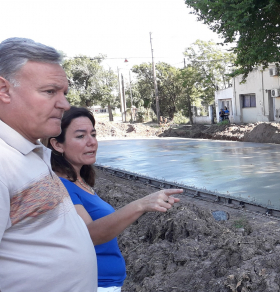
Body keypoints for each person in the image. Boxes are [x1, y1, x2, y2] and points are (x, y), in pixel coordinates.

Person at [47, 107, 183, 292]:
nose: (91, 142)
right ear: (57, 145)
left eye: (93, 134)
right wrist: (141, 204)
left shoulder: (80, 181)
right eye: (80, 136)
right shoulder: (59, 185)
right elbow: (89, 235)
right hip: (93, 284)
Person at [0, 38, 97, 291]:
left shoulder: (33, 152)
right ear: (3, 90)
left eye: (64, 92)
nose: (64, 104)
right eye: (49, 91)